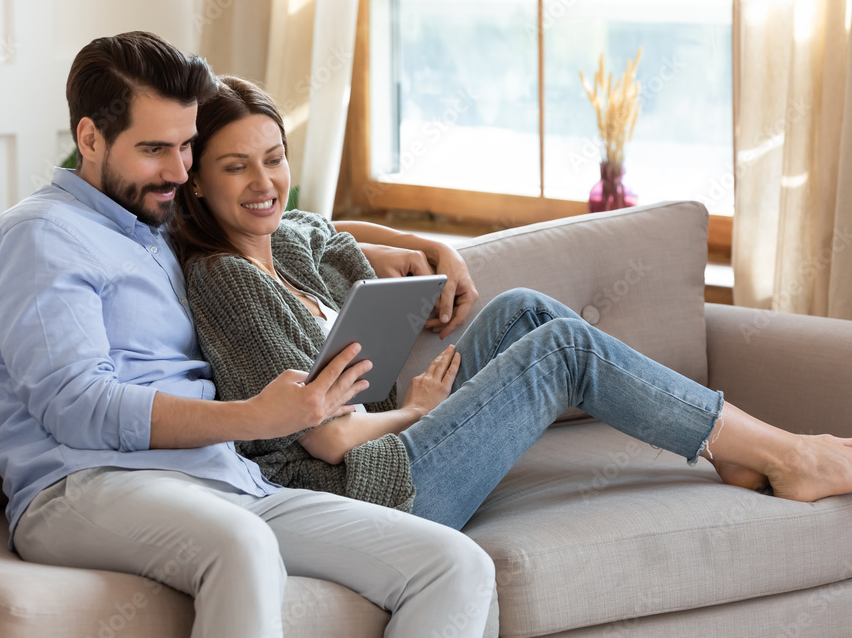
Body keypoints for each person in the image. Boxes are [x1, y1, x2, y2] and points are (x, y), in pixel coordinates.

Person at [0, 32, 498, 638]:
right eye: (153, 149)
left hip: (224, 479)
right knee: (243, 544)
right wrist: (256, 416)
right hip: (85, 487)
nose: (176, 169)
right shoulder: (41, 237)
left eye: (186, 146)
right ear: (89, 138)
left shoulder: (152, 220)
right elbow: (77, 406)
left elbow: (285, 220)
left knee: (454, 564)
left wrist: (420, 248)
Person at [173, 75, 852, 532]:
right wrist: (416, 410)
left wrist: (420, 246)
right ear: (195, 180)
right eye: (236, 166)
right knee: (561, 347)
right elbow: (321, 435)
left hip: (394, 436)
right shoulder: (226, 278)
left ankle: (738, 449)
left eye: (275, 157)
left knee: (524, 307)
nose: (265, 182)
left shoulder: (284, 241)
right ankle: (789, 455)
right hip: (365, 487)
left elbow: (328, 228)